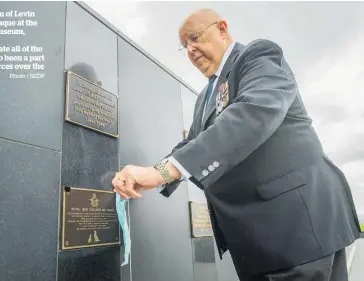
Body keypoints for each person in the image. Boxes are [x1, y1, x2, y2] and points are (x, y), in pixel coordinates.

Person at [111, 8, 361, 281]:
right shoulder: (205, 97)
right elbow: (190, 144)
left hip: (296, 232)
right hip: (260, 242)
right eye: (184, 46)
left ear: (222, 29)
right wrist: (153, 173)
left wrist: (162, 172)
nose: (191, 50)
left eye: (195, 37)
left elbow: (252, 114)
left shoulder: (258, 56)